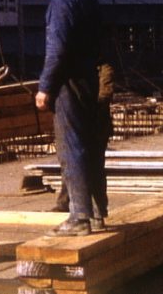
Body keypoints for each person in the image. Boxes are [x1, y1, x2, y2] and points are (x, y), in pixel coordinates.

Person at [35, 0, 102, 237]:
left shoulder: (60, 2)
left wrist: (44, 87)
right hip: (88, 79)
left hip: (68, 83)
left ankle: (79, 217)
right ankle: (98, 213)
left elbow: (57, 50)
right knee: (89, 145)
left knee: (70, 147)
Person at [52, 62, 114, 227]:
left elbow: (106, 88)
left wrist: (95, 105)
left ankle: (95, 211)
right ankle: (66, 203)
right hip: (80, 113)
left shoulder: (99, 63)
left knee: (91, 164)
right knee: (70, 161)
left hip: (93, 118)